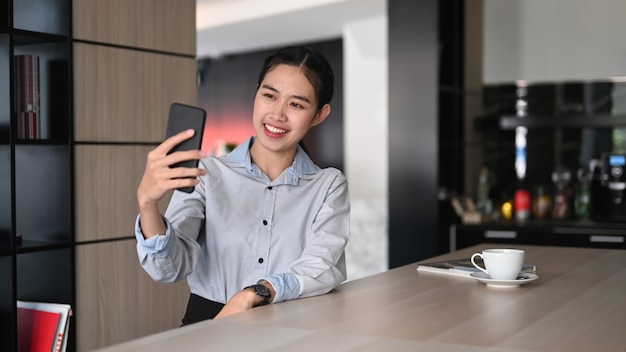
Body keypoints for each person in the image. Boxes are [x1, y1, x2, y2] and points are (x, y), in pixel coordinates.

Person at [134, 46, 350, 325]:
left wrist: (256, 293)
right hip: (209, 324)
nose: (278, 114)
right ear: (256, 94)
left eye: (296, 104)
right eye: (269, 96)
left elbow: (321, 267)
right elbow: (168, 269)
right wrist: (148, 204)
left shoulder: (328, 185)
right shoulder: (207, 173)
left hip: (291, 329)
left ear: (319, 114)